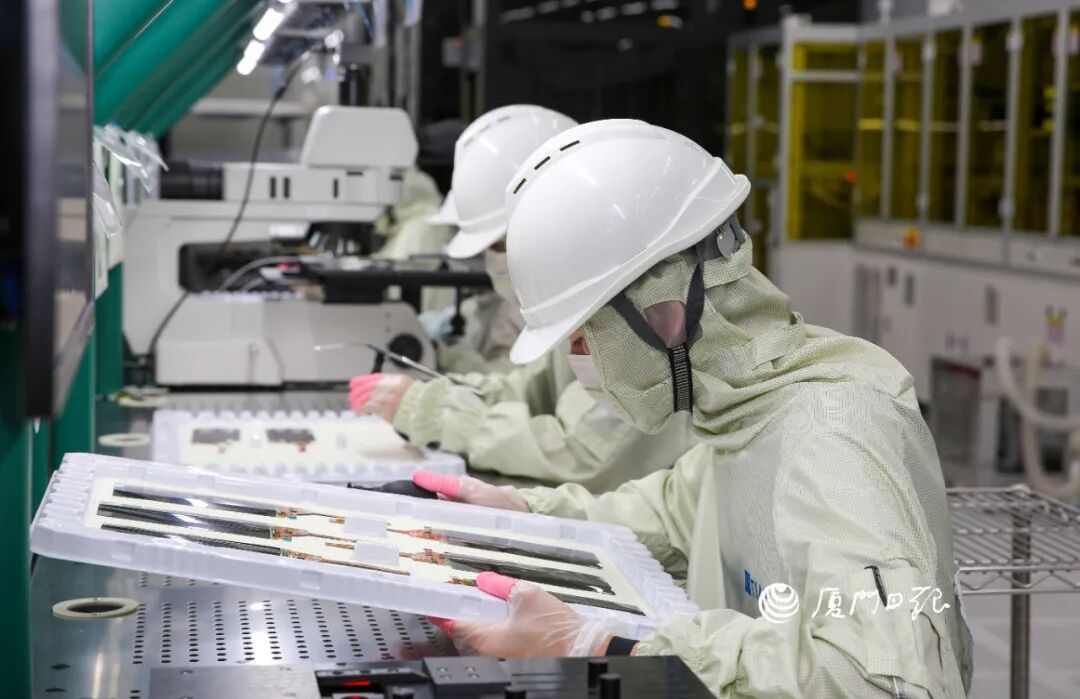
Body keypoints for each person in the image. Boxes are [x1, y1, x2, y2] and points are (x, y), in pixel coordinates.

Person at [409, 119, 973, 697]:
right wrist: (522, 514)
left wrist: (604, 648)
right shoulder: (744, 414)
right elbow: (669, 516)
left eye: (585, 338)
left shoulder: (833, 435)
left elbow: (879, 680)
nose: (582, 363)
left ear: (665, 314)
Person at [350, 105, 697, 491]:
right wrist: (434, 396)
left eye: (503, 243)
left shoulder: (642, 308)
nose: (497, 260)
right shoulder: (581, 307)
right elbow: (531, 390)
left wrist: (437, 414)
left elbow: (582, 453)